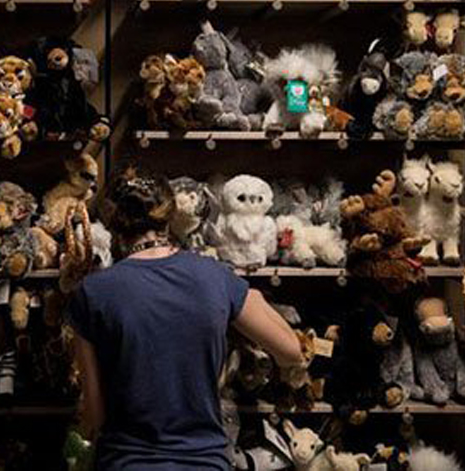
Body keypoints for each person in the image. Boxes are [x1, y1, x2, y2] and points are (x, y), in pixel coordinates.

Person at [66, 166, 305, 471]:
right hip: (204, 462)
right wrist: (249, 296)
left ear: (114, 218)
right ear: (170, 213)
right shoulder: (215, 276)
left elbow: (95, 415)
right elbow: (290, 351)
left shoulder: (93, 292)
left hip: (127, 462)